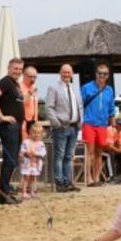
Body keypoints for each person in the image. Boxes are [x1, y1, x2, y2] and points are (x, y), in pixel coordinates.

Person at [0, 57, 25, 205]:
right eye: (15, 68)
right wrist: (1, 116)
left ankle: (6, 191)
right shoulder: (5, 81)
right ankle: (3, 195)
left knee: (12, 160)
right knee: (9, 160)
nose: (18, 71)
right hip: (8, 127)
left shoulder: (15, 84)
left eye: (20, 69)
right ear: (9, 68)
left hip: (16, 127)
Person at [44, 63, 81, 191]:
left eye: (68, 72)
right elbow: (49, 107)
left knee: (69, 156)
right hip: (61, 126)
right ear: (60, 73)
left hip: (74, 126)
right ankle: (59, 183)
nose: (66, 74)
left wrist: (80, 121)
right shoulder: (53, 88)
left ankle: (68, 182)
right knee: (59, 155)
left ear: (72, 74)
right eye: (64, 72)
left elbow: (79, 106)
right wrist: (56, 123)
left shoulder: (75, 88)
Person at [81, 63, 117, 187]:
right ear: (96, 74)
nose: (102, 76)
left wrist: (112, 123)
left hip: (102, 124)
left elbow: (111, 107)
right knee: (89, 152)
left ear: (108, 76)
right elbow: (80, 105)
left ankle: (96, 178)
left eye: (105, 74)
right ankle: (89, 178)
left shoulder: (109, 90)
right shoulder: (86, 88)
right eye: (100, 73)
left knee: (99, 152)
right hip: (89, 122)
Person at [19, 122, 47, 199]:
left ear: (41, 134)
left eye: (38, 133)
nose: (36, 135)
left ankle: (32, 191)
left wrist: (37, 153)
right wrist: (25, 152)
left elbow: (43, 152)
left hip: (35, 163)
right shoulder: (26, 142)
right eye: (34, 133)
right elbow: (22, 150)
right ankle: (24, 191)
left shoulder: (41, 143)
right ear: (30, 132)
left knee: (33, 178)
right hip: (27, 163)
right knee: (26, 177)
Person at [21, 64, 39, 140]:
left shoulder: (33, 88)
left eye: (35, 77)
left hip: (33, 123)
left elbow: (35, 106)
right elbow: (21, 103)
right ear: (24, 76)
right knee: (24, 148)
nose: (33, 79)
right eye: (30, 76)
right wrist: (30, 93)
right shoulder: (19, 87)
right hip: (23, 122)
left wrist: (36, 121)